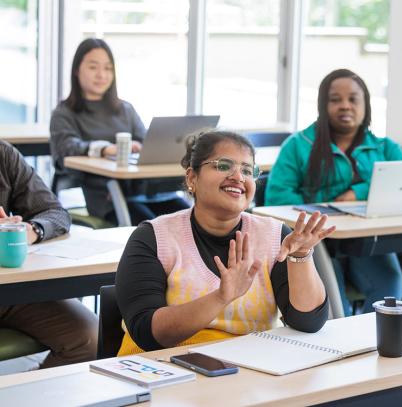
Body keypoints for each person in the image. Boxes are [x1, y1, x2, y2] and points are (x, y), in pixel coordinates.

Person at [115, 130, 331, 354]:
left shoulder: (273, 234)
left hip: (248, 368)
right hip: (161, 370)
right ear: (192, 178)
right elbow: (147, 333)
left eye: (247, 170)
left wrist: (301, 255)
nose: (238, 177)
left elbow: (307, 322)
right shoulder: (154, 237)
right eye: (223, 165)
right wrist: (221, 298)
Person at [265, 68, 402, 315]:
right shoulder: (298, 146)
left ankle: (375, 345)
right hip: (318, 241)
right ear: (322, 105)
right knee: (332, 302)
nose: (345, 106)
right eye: (335, 99)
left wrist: (357, 193)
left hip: (367, 240)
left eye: (353, 99)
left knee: (390, 288)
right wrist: (327, 210)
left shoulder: (386, 148)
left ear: (366, 106)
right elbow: (277, 198)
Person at [50, 38, 189, 225]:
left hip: (145, 192)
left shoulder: (125, 109)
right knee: (152, 226)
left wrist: (143, 146)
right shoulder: (64, 113)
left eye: (108, 68)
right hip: (106, 197)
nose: (101, 75)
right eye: (93, 67)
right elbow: (66, 148)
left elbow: (148, 143)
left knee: (191, 218)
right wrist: (104, 149)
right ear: (76, 70)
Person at [0, 140, 98, 367]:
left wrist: (31, 230)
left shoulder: (3, 154)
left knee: (91, 339)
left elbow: (54, 212)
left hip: (11, 293)